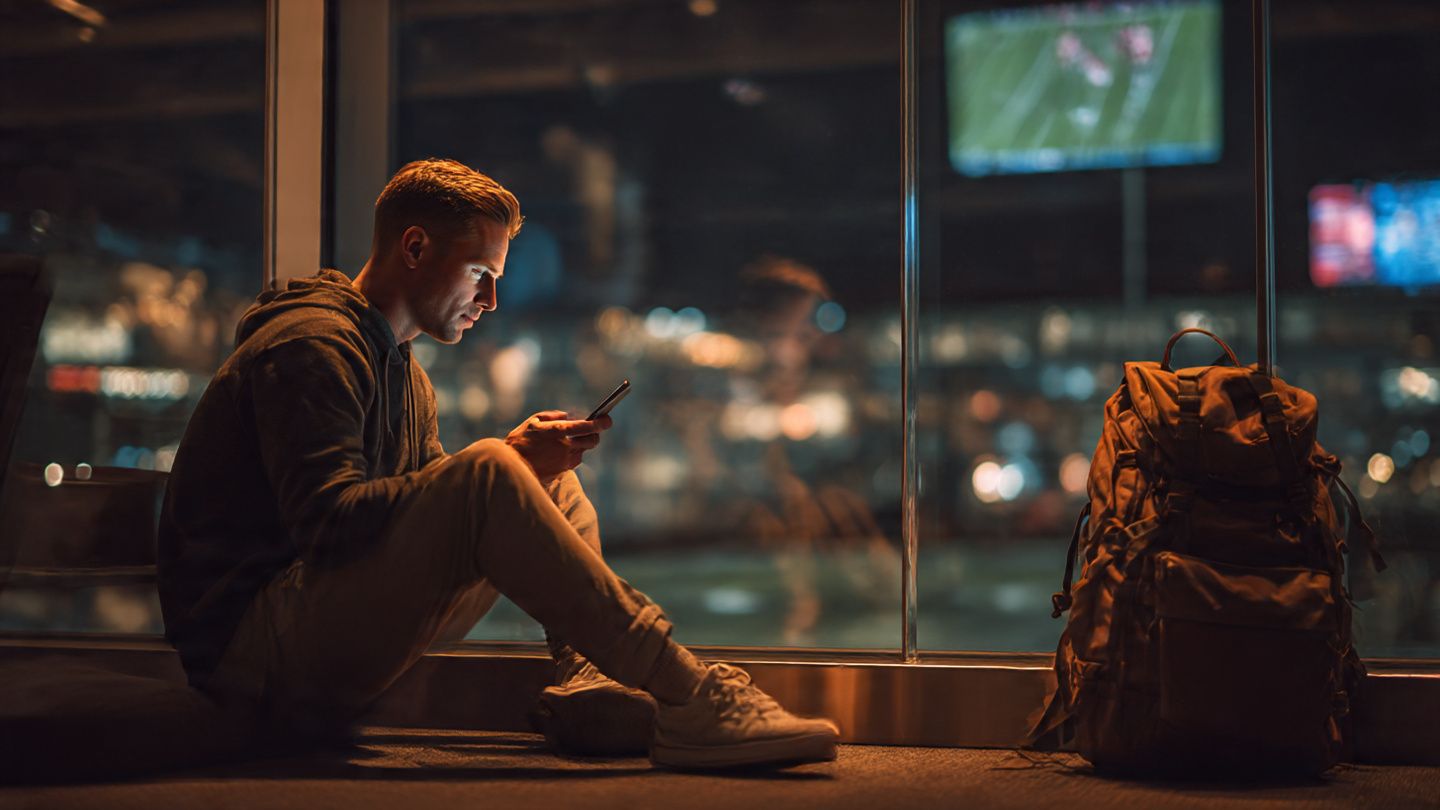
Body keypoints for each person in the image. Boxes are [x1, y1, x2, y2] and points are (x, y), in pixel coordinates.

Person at [156, 158, 838, 769]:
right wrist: (504, 462)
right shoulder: (313, 346)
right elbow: (329, 529)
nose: (490, 301)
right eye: (481, 274)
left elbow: (422, 515)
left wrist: (525, 467)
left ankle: (589, 683)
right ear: (415, 247)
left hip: (307, 629)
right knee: (493, 466)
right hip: (252, 662)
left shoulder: (402, 370)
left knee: (551, 484)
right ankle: (692, 695)